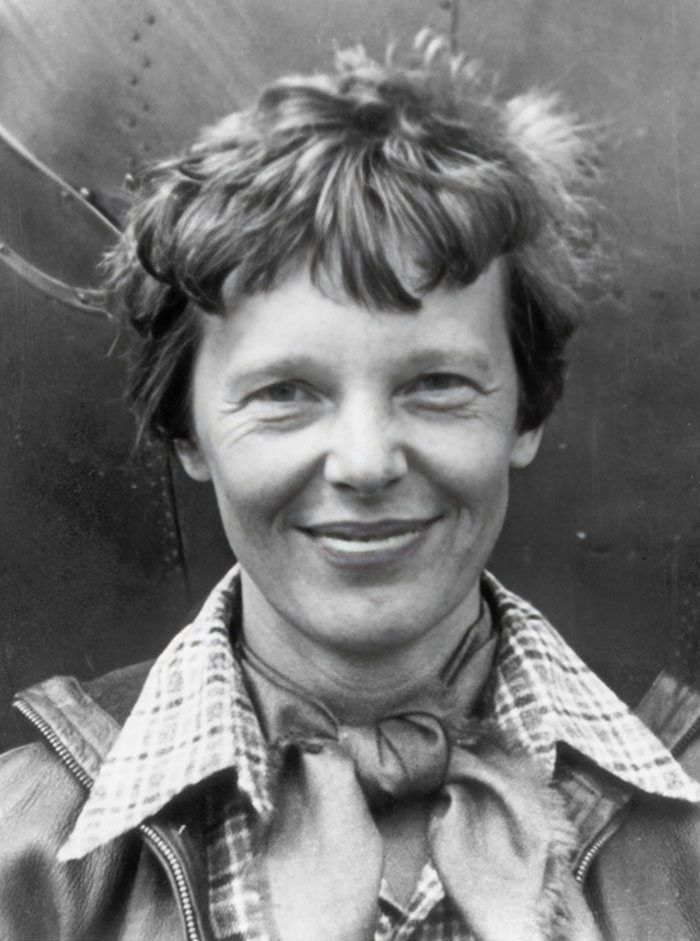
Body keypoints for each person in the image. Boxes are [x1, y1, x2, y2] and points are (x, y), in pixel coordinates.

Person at [3, 31, 700, 941]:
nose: (366, 463)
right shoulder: (26, 856)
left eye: (438, 384)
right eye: (285, 393)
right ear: (187, 429)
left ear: (525, 413)